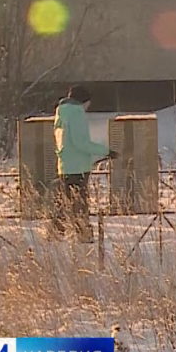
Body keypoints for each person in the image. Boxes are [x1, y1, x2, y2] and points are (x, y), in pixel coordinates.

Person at [53, 85, 114, 242]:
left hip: (65, 165)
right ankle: (84, 236)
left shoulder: (61, 112)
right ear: (83, 101)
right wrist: (105, 151)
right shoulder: (76, 113)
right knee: (79, 203)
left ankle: (55, 233)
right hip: (78, 166)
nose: (89, 107)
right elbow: (81, 142)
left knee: (65, 201)